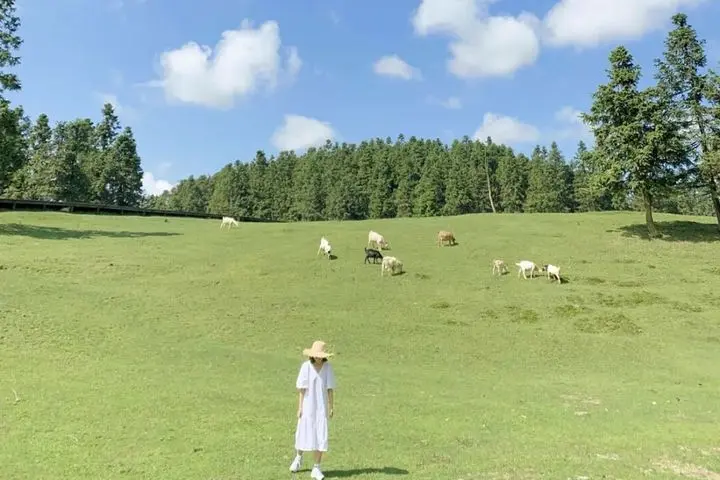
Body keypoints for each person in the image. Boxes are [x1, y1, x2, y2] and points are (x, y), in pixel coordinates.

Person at [289, 340, 336, 479]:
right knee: (304, 432)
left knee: (320, 435)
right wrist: (300, 407)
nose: (318, 357)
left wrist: (331, 406)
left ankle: (316, 467)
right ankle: (298, 458)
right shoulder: (306, 367)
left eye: (320, 355)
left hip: (321, 408)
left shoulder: (327, 368)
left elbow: (330, 389)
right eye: (316, 355)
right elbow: (302, 390)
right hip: (308, 406)